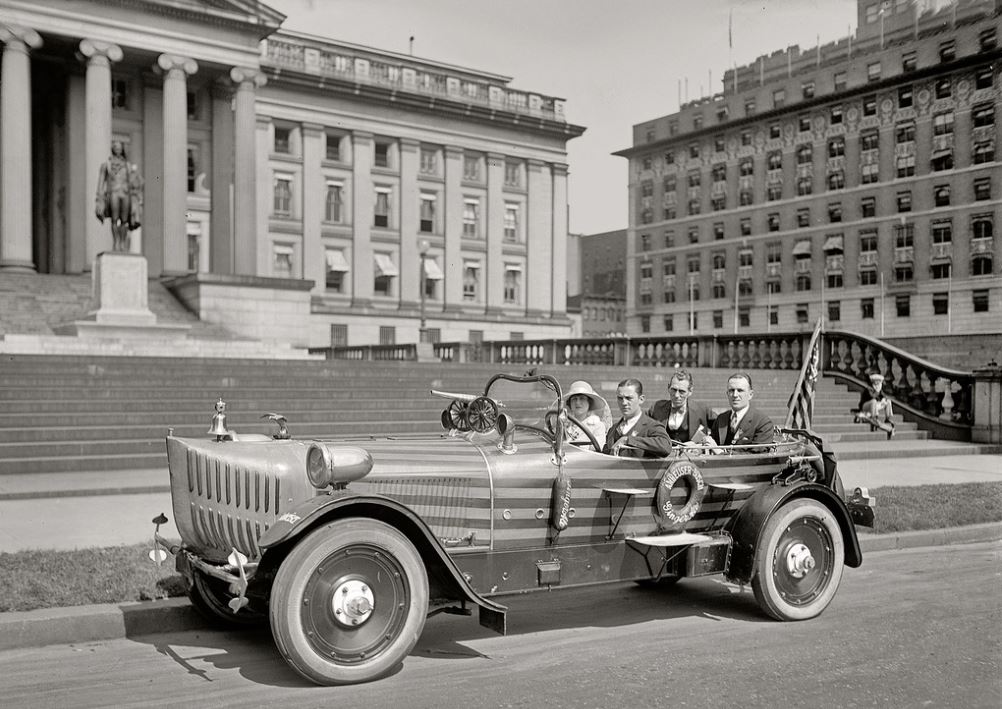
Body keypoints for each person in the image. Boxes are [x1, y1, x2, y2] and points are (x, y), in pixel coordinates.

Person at [702, 372, 775, 451]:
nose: (735, 395)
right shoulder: (721, 419)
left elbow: (757, 457)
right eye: (731, 390)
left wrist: (719, 452)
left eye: (740, 390)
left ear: (750, 394)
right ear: (727, 394)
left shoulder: (762, 422)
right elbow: (712, 444)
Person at [603, 378, 672, 458]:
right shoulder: (613, 429)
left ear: (641, 399)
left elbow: (666, 446)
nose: (624, 403)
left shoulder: (651, 426)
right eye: (620, 398)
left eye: (629, 398)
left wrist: (628, 440)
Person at [95, 140, 144, 252]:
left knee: (125, 220)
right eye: (115, 147)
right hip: (113, 192)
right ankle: (116, 242)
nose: (118, 149)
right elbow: (100, 184)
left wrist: (136, 180)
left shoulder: (127, 165)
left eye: (119, 147)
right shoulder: (106, 165)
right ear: (113, 149)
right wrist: (99, 199)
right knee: (114, 218)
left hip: (125, 193)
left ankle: (122, 243)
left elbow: (136, 182)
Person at [647, 369, 716, 446]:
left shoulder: (702, 410)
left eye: (682, 391)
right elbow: (641, 424)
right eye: (673, 390)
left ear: (690, 391)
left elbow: (720, 428)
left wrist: (700, 442)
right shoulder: (656, 408)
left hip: (692, 456)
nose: (676, 395)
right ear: (668, 387)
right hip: (663, 456)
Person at [562, 380, 610, 451]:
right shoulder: (564, 425)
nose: (578, 402)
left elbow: (598, 448)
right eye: (574, 399)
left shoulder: (597, 426)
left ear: (589, 403)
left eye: (582, 398)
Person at [855, 372, 896, 439]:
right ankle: (874, 417)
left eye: (879, 382)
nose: (878, 384)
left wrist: (883, 400)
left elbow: (884, 396)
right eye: (876, 383)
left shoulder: (879, 389)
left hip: (875, 406)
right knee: (873, 401)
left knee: (888, 401)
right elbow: (872, 396)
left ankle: (888, 418)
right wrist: (877, 391)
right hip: (866, 406)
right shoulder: (869, 388)